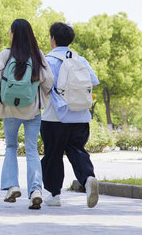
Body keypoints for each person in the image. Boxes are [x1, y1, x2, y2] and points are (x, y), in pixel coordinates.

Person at [0, 19, 54, 209]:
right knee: (31, 150)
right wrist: (41, 92)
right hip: (32, 110)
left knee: (11, 147)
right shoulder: (37, 55)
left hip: (9, 109)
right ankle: (36, 190)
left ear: (13, 34)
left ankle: (12, 186)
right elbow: (49, 80)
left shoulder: (6, 54)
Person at [40, 22, 100, 208]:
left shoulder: (48, 60)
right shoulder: (79, 59)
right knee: (77, 150)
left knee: (53, 155)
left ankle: (54, 194)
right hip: (81, 115)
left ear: (53, 39)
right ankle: (88, 178)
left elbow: (43, 84)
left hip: (55, 116)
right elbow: (94, 81)